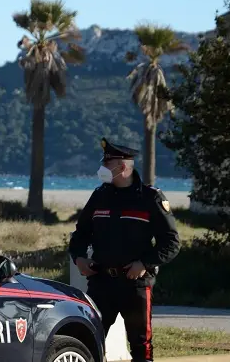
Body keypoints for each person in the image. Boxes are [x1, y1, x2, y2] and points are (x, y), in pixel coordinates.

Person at [68, 137, 181, 362]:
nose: (102, 168)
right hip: (101, 283)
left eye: (107, 163)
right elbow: (80, 234)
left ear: (122, 167)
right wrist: (79, 258)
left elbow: (171, 242)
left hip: (135, 285)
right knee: (89, 339)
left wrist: (145, 263)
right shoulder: (100, 196)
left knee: (141, 345)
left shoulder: (150, 198)